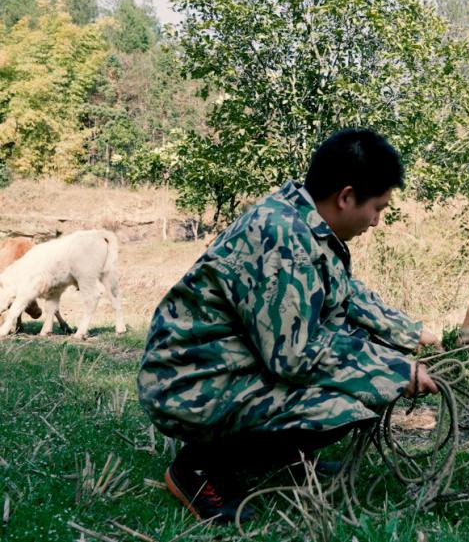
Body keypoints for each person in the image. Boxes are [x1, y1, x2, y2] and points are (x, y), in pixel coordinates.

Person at [137, 128, 440, 523]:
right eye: (378, 208)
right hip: (188, 383)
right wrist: (395, 371)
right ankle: (198, 468)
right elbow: (296, 357)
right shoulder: (282, 238)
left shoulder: (303, 218)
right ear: (346, 197)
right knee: (340, 408)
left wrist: (411, 334)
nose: (377, 221)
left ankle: (289, 459)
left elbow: (345, 293)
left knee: (353, 377)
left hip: (227, 365)